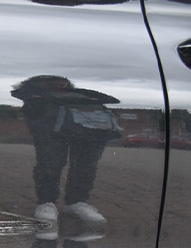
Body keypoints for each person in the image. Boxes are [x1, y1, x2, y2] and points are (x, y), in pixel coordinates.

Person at [12, 76, 120, 226]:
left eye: (61, 80)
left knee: (86, 166)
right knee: (50, 163)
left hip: (91, 129)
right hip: (50, 126)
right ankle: (46, 202)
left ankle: (77, 202)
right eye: (49, 79)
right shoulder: (34, 97)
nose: (58, 83)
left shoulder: (82, 95)